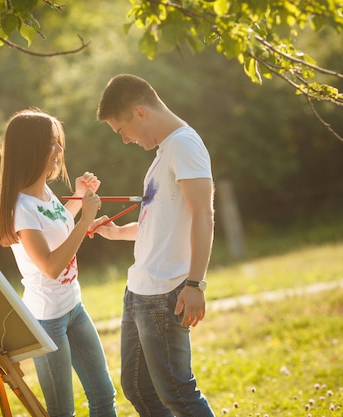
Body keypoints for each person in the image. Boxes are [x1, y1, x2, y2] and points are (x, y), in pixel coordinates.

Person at [93, 74, 215, 417]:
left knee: (177, 392)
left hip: (165, 293)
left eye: (122, 130)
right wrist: (116, 232)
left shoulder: (184, 146)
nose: (125, 140)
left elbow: (203, 216)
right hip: (139, 291)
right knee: (138, 389)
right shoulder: (164, 153)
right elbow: (159, 224)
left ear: (140, 112)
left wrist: (195, 284)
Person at [0, 109, 117, 417]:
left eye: (58, 142)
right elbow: (50, 266)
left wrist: (77, 198)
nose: (59, 150)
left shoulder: (44, 194)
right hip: (47, 321)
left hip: (73, 307)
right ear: (31, 149)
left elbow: (58, 226)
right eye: (52, 143)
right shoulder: (21, 209)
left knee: (103, 394)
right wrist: (85, 218)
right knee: (63, 411)